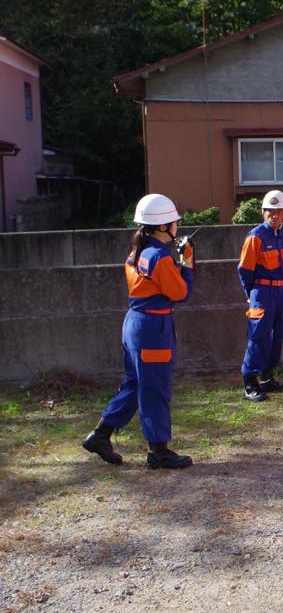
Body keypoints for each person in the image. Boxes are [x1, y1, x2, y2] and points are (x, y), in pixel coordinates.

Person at [81, 194, 194, 469]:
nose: (177, 225)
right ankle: (158, 451)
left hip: (136, 323)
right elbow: (180, 292)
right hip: (153, 328)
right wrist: (188, 261)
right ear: (163, 226)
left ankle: (100, 434)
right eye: (174, 222)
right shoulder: (160, 257)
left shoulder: (137, 251)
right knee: (155, 388)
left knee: (135, 383)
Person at [238, 190, 283, 402]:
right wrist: (251, 295)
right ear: (263, 212)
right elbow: (245, 270)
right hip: (262, 291)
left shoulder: (282, 238)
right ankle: (250, 382)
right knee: (258, 336)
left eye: (279, 211)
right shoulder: (256, 237)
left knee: (277, 336)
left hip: (279, 291)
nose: (274, 215)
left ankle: (267, 378)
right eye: (270, 211)